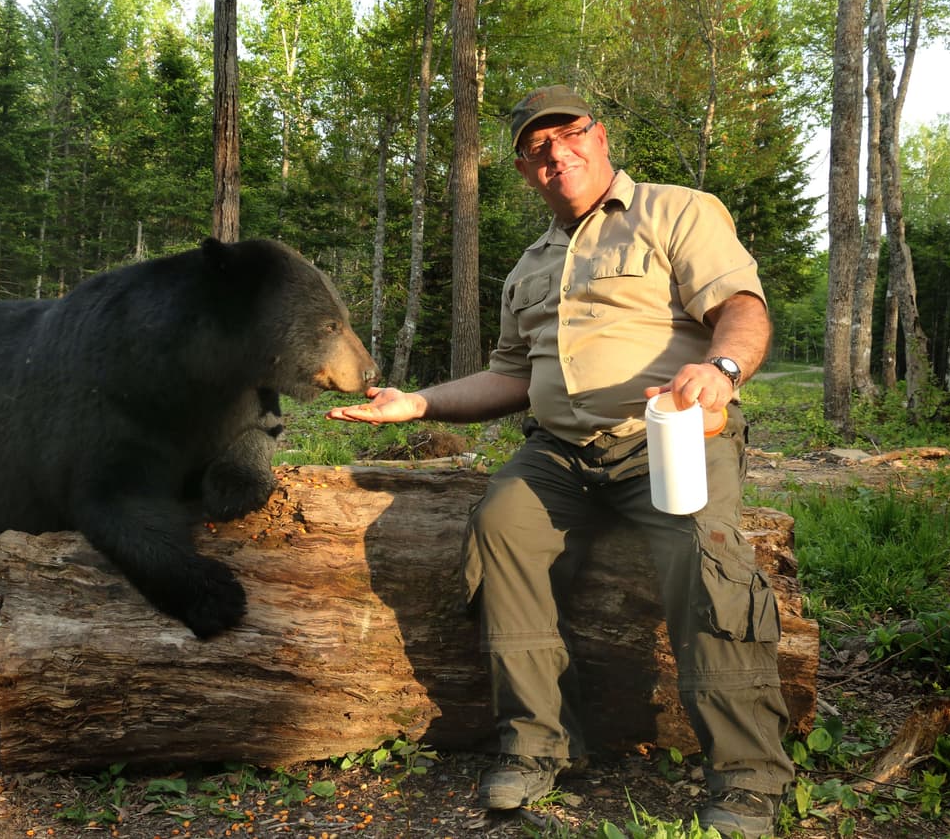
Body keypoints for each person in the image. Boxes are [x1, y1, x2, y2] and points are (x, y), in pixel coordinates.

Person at [327, 84, 793, 838]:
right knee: (501, 523)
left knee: (707, 557)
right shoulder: (531, 265)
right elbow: (512, 375)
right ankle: (539, 744)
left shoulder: (676, 212)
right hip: (561, 453)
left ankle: (746, 777)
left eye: (568, 134)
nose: (556, 154)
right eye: (535, 149)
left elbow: (741, 307)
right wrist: (419, 403)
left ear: (600, 136)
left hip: (669, 436)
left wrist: (724, 371)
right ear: (523, 170)